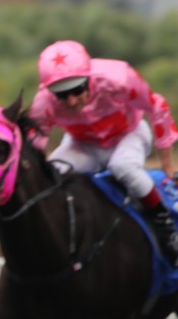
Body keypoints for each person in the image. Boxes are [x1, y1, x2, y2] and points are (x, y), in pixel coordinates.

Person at [29, 39, 178, 264]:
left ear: (89, 77)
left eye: (77, 89)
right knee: (54, 172)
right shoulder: (42, 102)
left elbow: (157, 106)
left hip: (128, 134)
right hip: (83, 143)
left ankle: (165, 227)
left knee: (123, 167)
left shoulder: (119, 78)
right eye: (61, 94)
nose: (71, 101)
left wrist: (167, 165)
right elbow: (35, 147)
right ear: (48, 90)